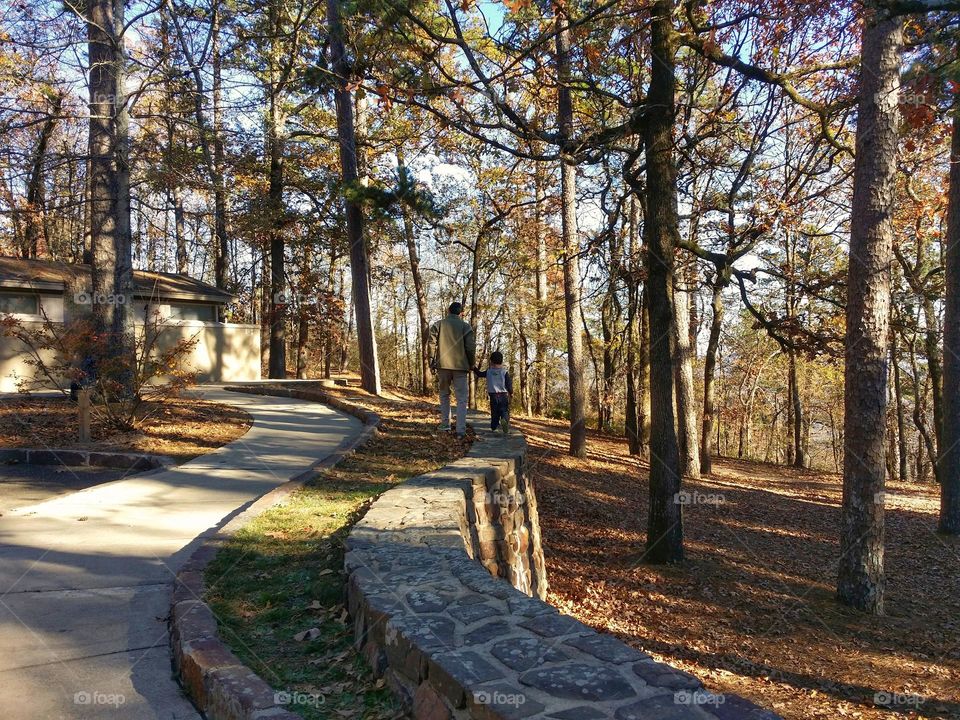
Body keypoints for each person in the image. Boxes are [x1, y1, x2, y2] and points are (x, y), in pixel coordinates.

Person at [428, 302, 475, 436]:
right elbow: (470, 347)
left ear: (448, 311)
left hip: (442, 365)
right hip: (461, 367)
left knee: (444, 395)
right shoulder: (466, 327)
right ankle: (460, 430)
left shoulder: (438, 324)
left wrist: (431, 360)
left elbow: (431, 343)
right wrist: (471, 363)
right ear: (461, 313)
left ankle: (445, 424)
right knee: (461, 399)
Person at [474, 350, 512, 434]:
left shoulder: (488, 371)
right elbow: (509, 384)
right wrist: (511, 392)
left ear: (491, 361)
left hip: (493, 396)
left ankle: (494, 426)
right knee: (504, 411)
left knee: (494, 412)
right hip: (503, 395)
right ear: (501, 361)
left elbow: (479, 374)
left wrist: (474, 368)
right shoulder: (504, 372)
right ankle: (504, 420)